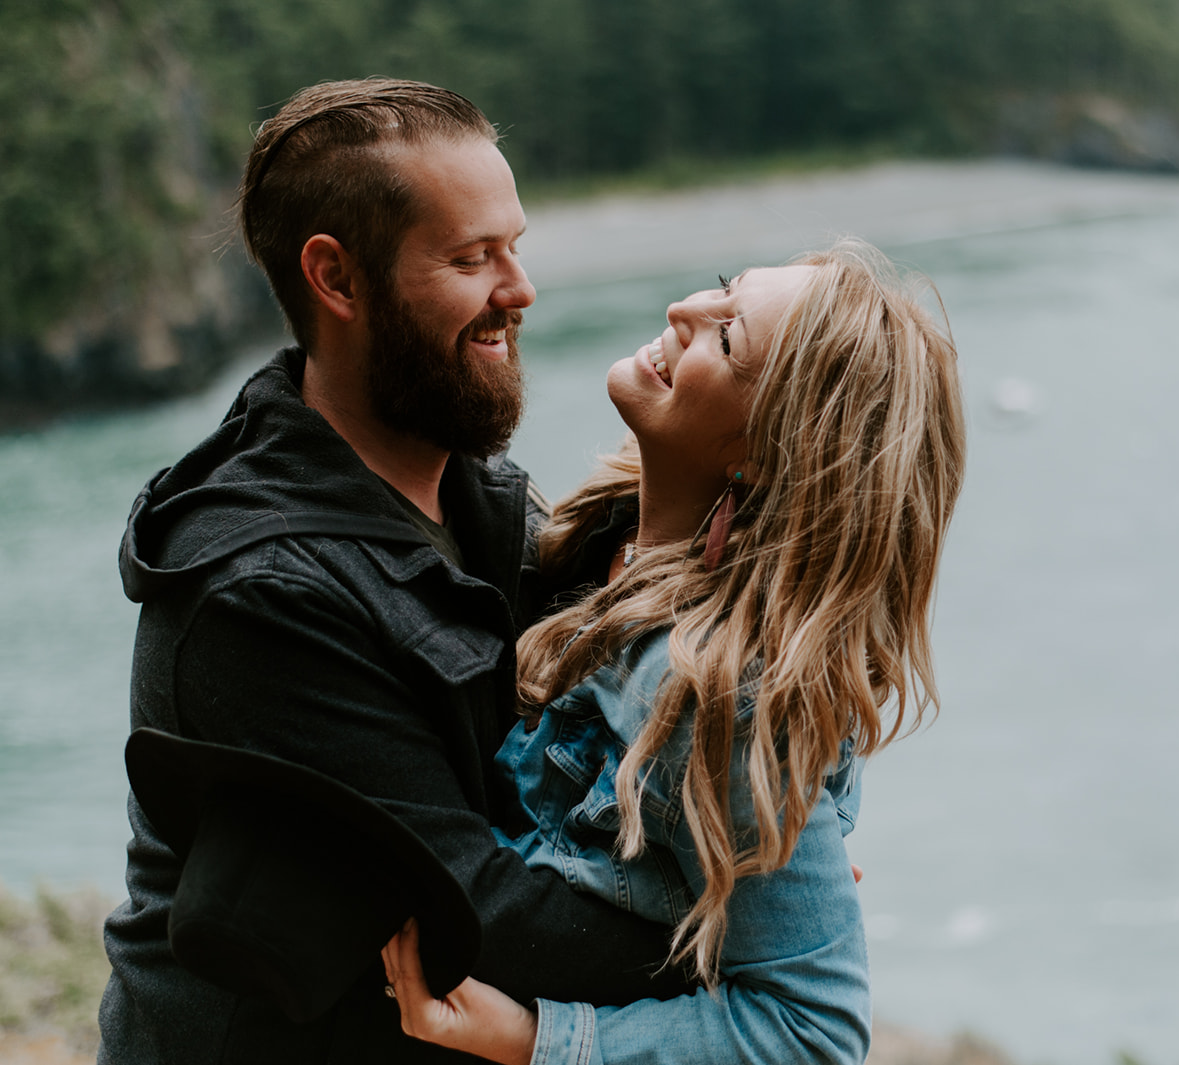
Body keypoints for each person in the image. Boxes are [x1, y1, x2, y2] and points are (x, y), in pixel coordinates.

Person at [101, 78, 694, 1064]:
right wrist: (756, 934)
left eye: (516, 245)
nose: (521, 289)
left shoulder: (478, 497)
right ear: (336, 280)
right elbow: (475, 910)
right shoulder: (261, 595)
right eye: (472, 258)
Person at [381, 240, 968, 1065]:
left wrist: (534, 1039)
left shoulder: (719, 699)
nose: (684, 311)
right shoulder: (595, 541)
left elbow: (813, 1032)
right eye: (726, 289)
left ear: (765, 456)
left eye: (728, 338)